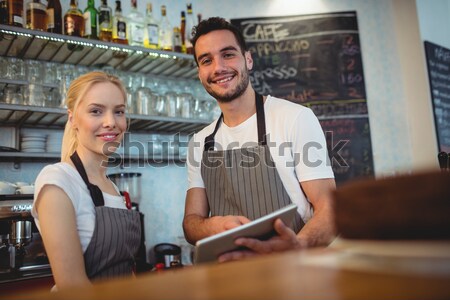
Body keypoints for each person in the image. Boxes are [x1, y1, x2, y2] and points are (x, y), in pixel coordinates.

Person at [183, 17, 336, 262]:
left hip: (295, 272)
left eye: (228, 54)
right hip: (232, 278)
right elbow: (191, 224)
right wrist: (213, 226)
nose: (218, 67)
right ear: (200, 73)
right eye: (206, 60)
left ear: (248, 59)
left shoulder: (295, 118)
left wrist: (299, 246)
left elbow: (330, 208)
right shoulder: (200, 143)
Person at [31, 71, 141, 289]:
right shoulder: (58, 180)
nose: (111, 122)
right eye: (96, 111)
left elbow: (127, 271)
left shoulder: (112, 187)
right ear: (72, 119)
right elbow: (73, 286)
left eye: (118, 111)